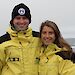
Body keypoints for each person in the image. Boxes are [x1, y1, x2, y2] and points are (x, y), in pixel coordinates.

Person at [0, 3, 39, 75]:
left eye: (24, 18)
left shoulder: (39, 39)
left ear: (29, 20)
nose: (21, 21)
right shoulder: (2, 42)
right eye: (18, 18)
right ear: (12, 20)